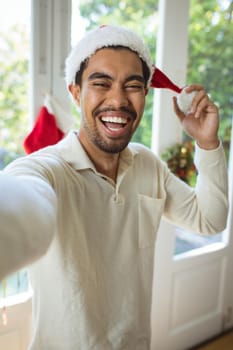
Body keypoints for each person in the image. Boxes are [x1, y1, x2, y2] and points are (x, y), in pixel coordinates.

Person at [0, 25, 228, 349]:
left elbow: (210, 219)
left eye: (132, 86)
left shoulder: (148, 165)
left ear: (145, 95)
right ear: (76, 92)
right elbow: (22, 201)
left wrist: (207, 143)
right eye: (101, 83)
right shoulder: (46, 171)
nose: (118, 100)